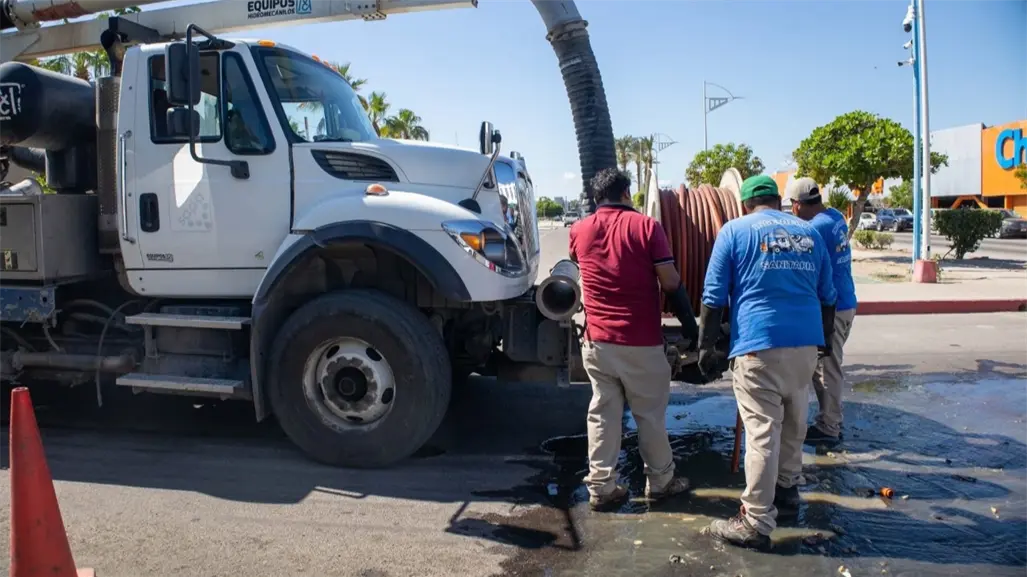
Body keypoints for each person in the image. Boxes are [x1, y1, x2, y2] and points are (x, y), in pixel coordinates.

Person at [696, 175, 837, 550]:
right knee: (794, 419)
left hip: (758, 345)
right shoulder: (810, 233)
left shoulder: (734, 230)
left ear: (745, 204)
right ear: (778, 201)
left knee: (762, 432)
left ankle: (756, 521)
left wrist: (706, 348)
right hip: (806, 344)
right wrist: (822, 343)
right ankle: (787, 492)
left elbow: (713, 296)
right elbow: (828, 295)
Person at [569, 168, 700, 512]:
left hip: (597, 343)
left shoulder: (579, 230)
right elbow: (670, 282)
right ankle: (661, 482)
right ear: (626, 193)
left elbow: (579, 264)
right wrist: (691, 326)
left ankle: (601, 487)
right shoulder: (646, 227)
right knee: (649, 415)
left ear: (596, 198)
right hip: (640, 342)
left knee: (602, 413)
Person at [786, 178, 858, 447]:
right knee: (823, 366)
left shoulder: (814, 229)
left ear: (797, 205)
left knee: (827, 368)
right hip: (846, 301)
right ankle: (828, 419)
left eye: (792, 207)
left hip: (832, 308)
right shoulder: (835, 217)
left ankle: (830, 427)